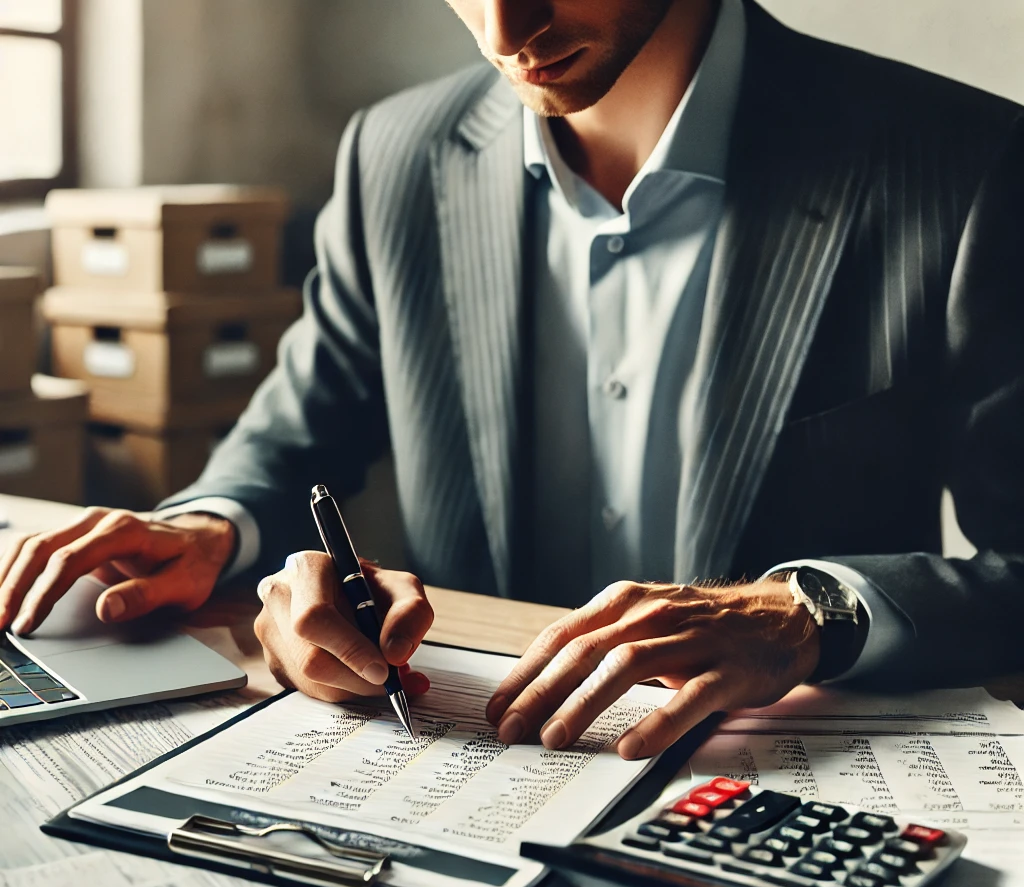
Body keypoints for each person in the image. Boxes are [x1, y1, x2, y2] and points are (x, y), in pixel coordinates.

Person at [1, 0, 1022, 759]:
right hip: (458, 767)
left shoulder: (961, 167)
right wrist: (210, 528)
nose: (502, 27)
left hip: (768, 773)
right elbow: (296, 435)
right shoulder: (392, 155)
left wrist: (813, 611)